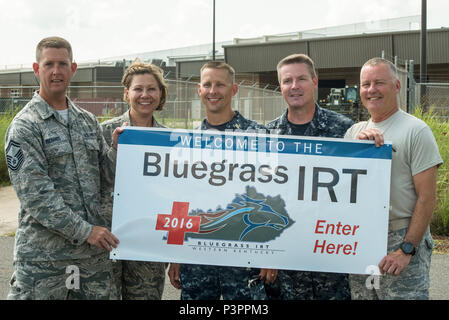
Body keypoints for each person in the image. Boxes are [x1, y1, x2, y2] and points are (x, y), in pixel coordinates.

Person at [5, 36, 121, 300]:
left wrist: (117, 152)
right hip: (45, 262)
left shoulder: (87, 121)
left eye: (62, 64)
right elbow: (37, 197)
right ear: (37, 69)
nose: (56, 71)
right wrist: (86, 231)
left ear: (73, 68)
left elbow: (106, 178)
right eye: (48, 64)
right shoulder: (25, 126)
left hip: (92, 261)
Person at [167, 61, 277, 300]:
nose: (213, 91)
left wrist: (272, 253)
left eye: (220, 85)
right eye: (207, 84)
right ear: (199, 89)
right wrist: (175, 253)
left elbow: (273, 194)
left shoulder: (258, 136)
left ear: (234, 90)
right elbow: (181, 199)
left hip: (245, 259)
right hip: (197, 259)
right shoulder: (188, 141)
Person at [345, 58, 443, 300]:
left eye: (379, 82)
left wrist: (406, 249)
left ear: (397, 86)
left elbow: (427, 197)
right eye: (366, 84)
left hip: (400, 235)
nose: (371, 90)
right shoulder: (353, 133)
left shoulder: (415, 130)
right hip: (361, 239)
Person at [267, 53, 354, 300]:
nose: (294, 86)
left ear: (315, 82)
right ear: (281, 86)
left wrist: (371, 142)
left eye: (301, 79)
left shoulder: (344, 129)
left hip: (330, 259)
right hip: (285, 262)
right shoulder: (268, 135)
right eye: (287, 81)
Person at [100, 60, 167, 299]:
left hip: (148, 240)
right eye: (138, 89)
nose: (145, 95)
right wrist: (117, 150)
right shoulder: (104, 132)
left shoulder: (169, 139)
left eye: (152, 89)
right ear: (126, 93)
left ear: (160, 94)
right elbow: (95, 182)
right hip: (108, 239)